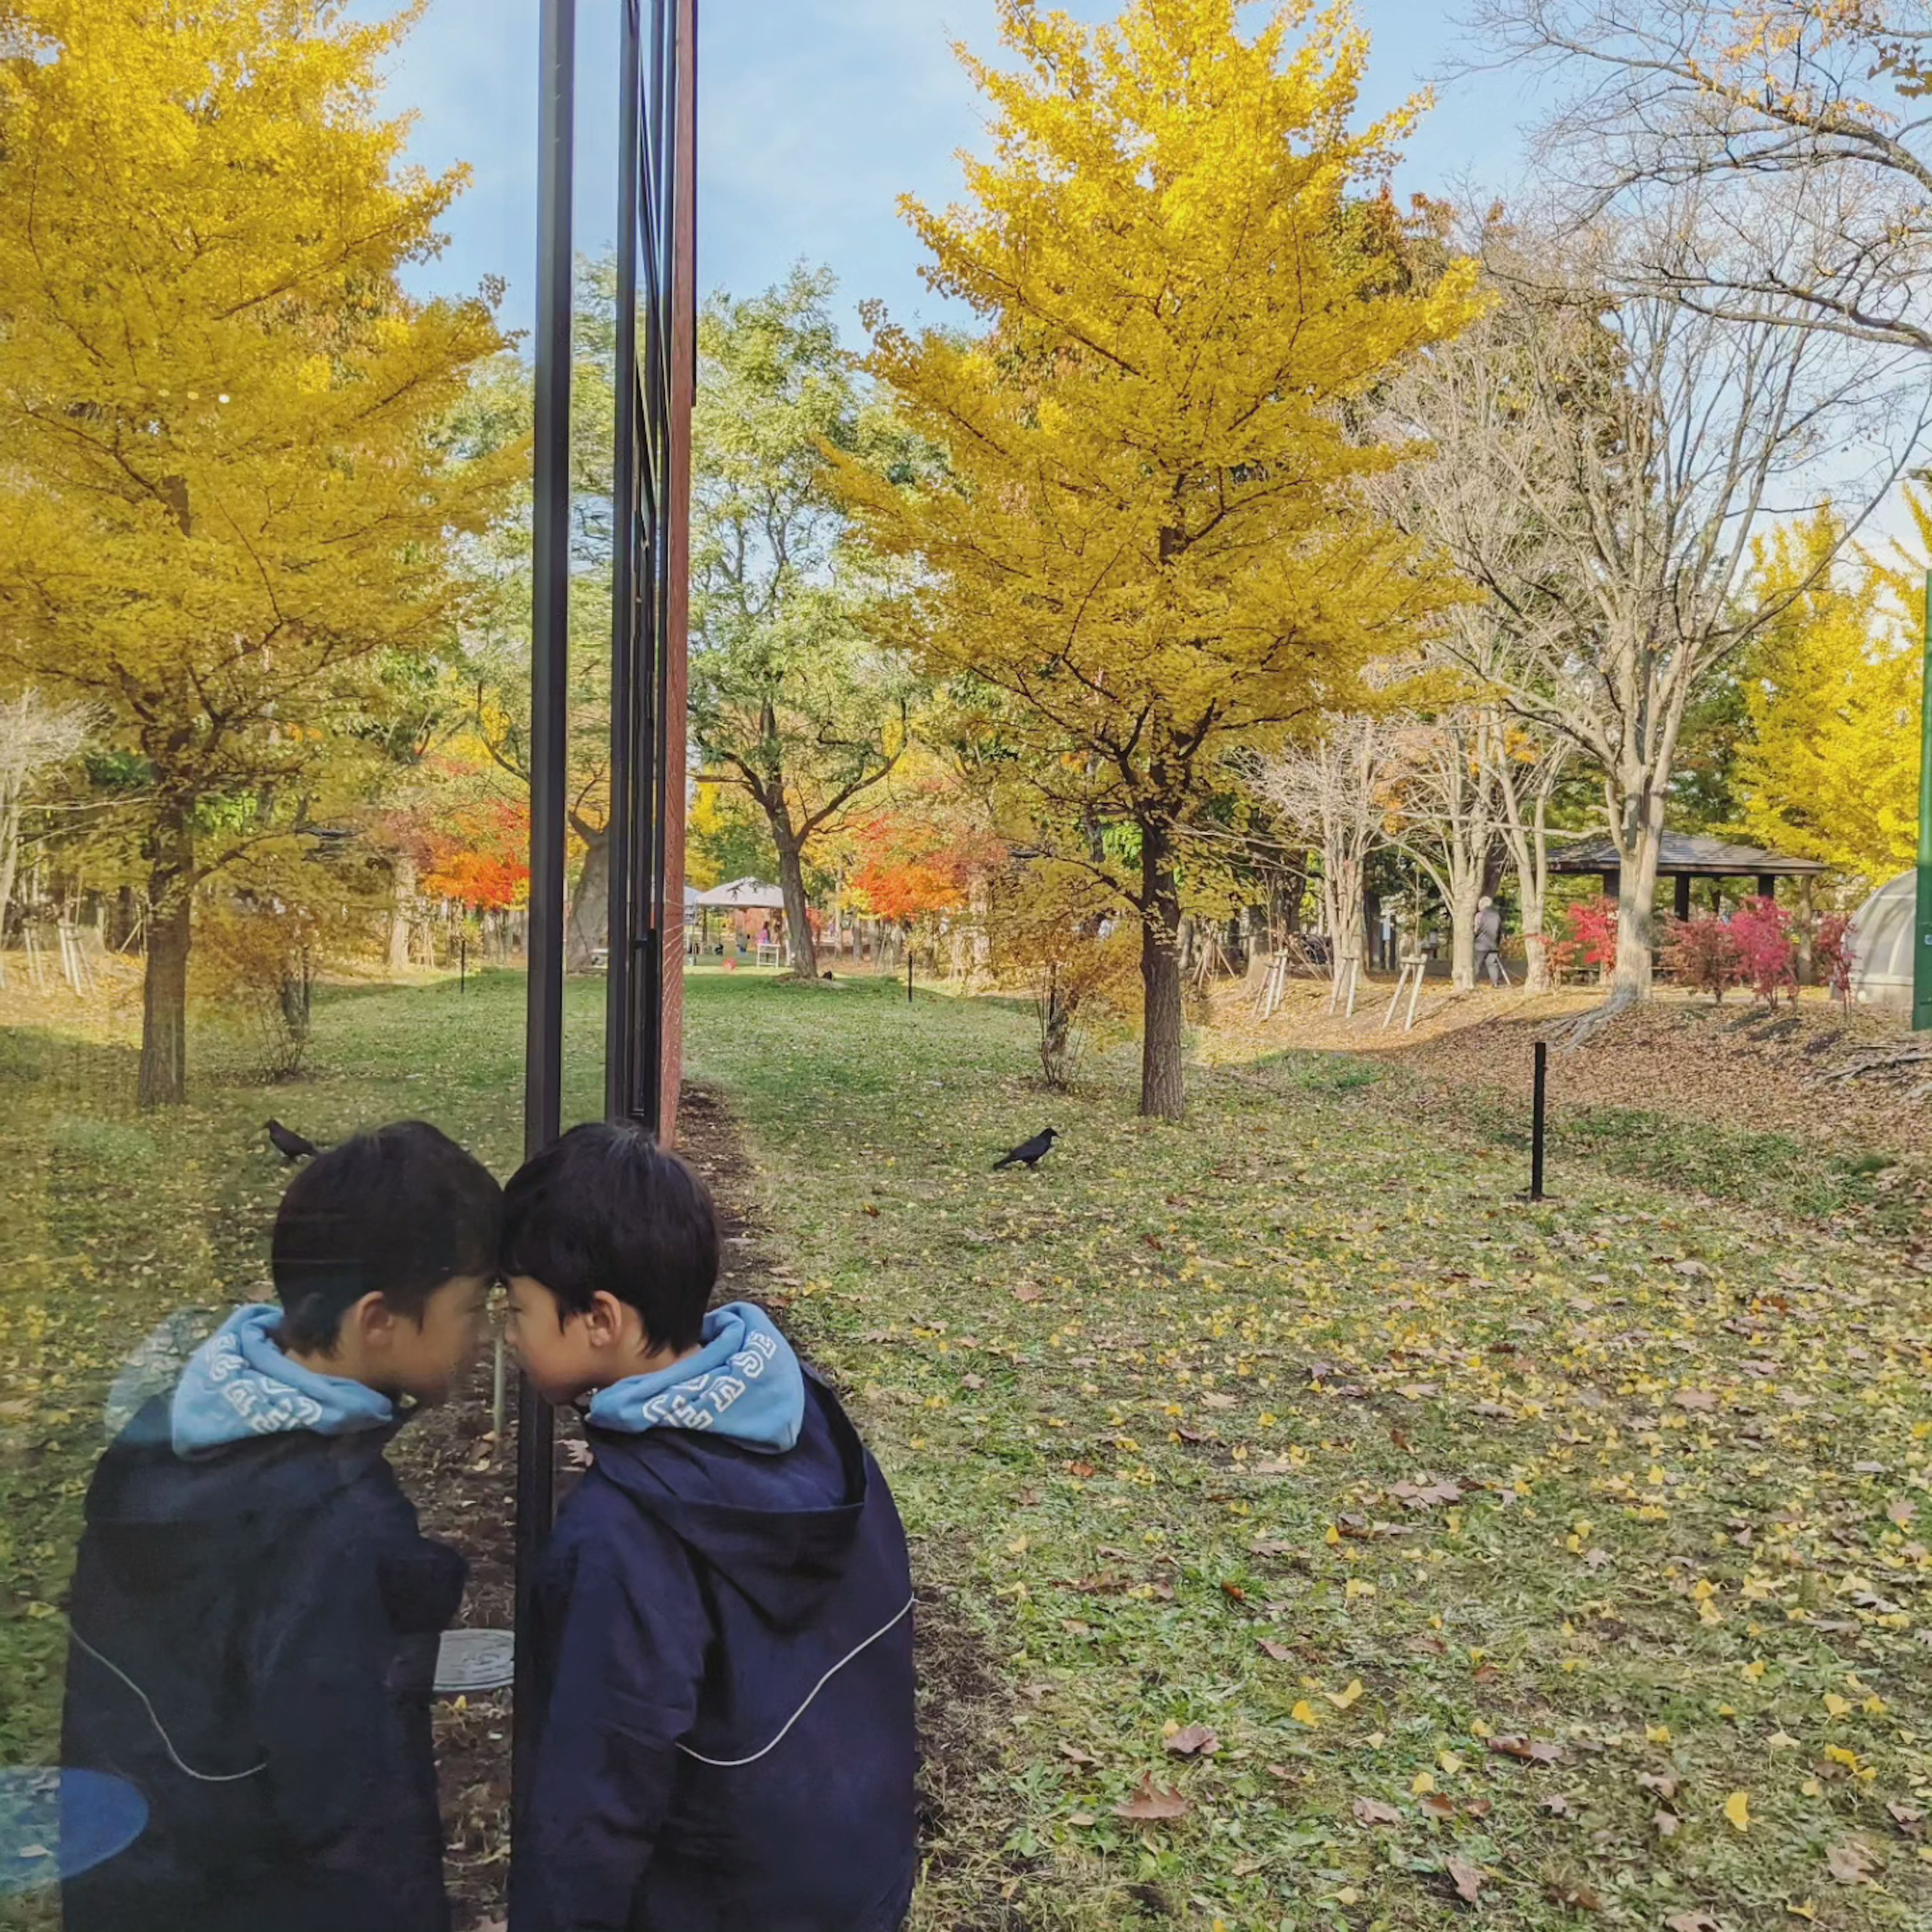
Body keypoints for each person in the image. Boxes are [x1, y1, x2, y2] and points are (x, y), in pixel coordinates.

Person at [60, 1122, 501, 1932]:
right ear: (379, 1323)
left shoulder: (166, 1443)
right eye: (471, 1309)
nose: (482, 1339)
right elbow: (361, 1823)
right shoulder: (336, 1529)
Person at [502, 1123, 917, 1932]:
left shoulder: (619, 1536)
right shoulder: (808, 1417)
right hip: (855, 1884)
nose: (510, 1336)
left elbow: (592, 1808)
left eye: (519, 1309)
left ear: (601, 1320)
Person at [1475, 895, 1508, 986]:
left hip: (1481, 945)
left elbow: (1476, 930)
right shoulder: (1497, 916)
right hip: (1493, 945)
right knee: (1492, 965)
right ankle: (1495, 983)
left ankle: (1473, 982)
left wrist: (1475, 937)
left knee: (1477, 964)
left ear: (1482, 905)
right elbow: (1501, 931)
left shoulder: (1480, 916)